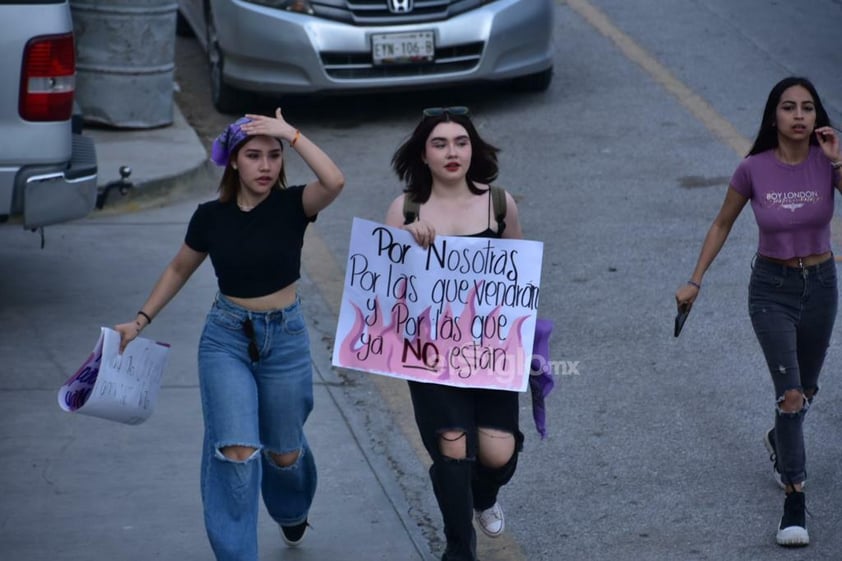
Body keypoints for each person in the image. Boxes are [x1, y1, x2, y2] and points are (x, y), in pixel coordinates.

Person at [114, 109, 345, 561]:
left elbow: (335, 182)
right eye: (253, 155)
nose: (265, 166)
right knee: (236, 452)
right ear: (233, 162)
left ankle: (291, 508)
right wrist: (139, 320)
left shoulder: (294, 205)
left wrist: (291, 134)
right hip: (226, 338)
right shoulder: (210, 217)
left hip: (286, 338)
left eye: (273, 156)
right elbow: (180, 267)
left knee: (283, 452)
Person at [675, 77, 842, 547]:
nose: (799, 116)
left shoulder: (826, 164)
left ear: (816, 116)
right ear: (774, 116)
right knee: (790, 394)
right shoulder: (753, 169)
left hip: (823, 285)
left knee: (806, 390)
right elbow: (722, 221)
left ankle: (778, 440)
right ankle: (794, 497)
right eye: (789, 107)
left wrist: (838, 161)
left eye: (808, 108)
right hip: (772, 289)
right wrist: (695, 279)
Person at [384, 106, 525, 561]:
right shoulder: (404, 208)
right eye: (440, 144)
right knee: (452, 447)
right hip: (429, 354)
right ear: (423, 155)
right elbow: (384, 290)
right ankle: (458, 548)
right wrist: (406, 240)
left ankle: (483, 496)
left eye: (460, 142)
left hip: (489, 351)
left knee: (498, 453)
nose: (452, 152)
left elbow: (518, 280)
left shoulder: (499, 204)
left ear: (473, 149)